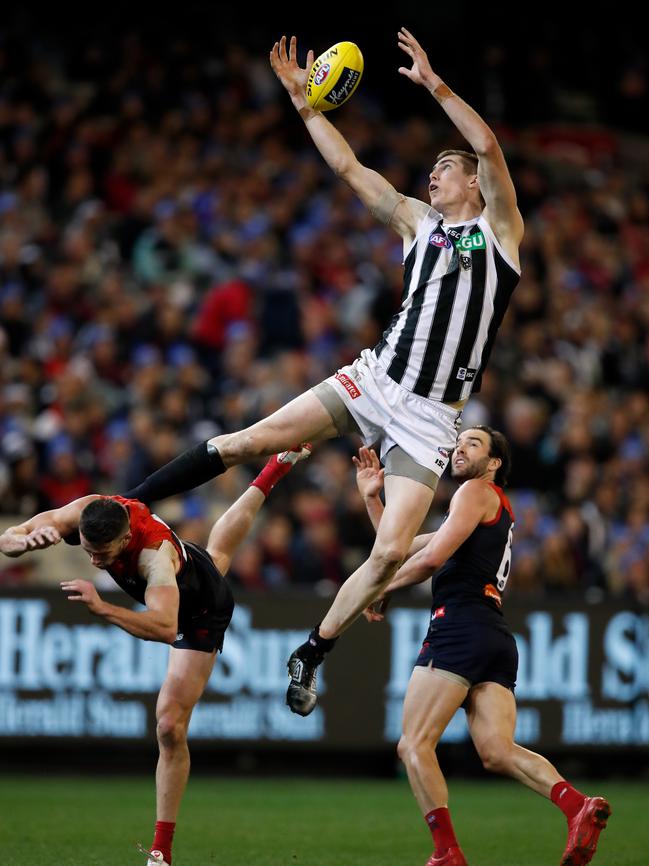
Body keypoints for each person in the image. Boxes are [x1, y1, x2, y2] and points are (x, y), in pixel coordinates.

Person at [121, 27, 524, 715]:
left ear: (472, 184)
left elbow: (487, 146)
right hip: (375, 381)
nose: (433, 174)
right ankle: (131, 507)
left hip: (431, 418)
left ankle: (312, 650)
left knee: (392, 550)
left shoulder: (501, 233)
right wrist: (307, 108)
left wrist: (433, 85)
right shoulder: (417, 224)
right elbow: (350, 171)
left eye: (444, 168)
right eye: (433, 168)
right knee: (251, 438)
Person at [0, 445, 310, 866]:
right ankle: (272, 471)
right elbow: (10, 536)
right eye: (88, 550)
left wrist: (103, 607)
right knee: (216, 556)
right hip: (191, 565)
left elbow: (167, 628)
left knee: (168, 724)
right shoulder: (90, 510)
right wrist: (21, 543)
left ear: (125, 538)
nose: (94, 560)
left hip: (200, 609)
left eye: (103, 555)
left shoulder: (153, 556)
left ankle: (160, 851)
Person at [353, 430, 611, 866]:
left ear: (493, 464)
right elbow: (396, 550)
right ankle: (576, 806)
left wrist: (377, 590)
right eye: (460, 442)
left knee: (413, 745)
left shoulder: (475, 491)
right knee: (496, 750)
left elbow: (429, 561)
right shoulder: (477, 509)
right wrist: (373, 500)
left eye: (473, 444)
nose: (460, 447)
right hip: (493, 634)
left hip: (459, 626)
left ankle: (446, 852)